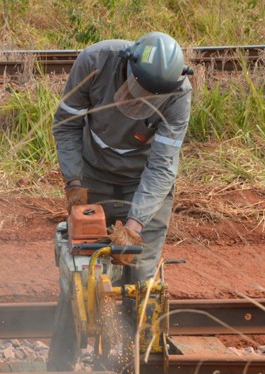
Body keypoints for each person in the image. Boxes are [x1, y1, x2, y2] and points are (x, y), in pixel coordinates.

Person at [54, 31, 193, 285]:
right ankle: (72, 324)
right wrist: (74, 181)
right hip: (93, 174)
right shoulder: (95, 61)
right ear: (128, 64)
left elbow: (162, 167)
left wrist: (135, 225)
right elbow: (66, 125)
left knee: (140, 277)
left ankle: (138, 322)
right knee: (84, 274)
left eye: (152, 96)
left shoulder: (178, 94)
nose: (142, 99)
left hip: (143, 181)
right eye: (139, 89)